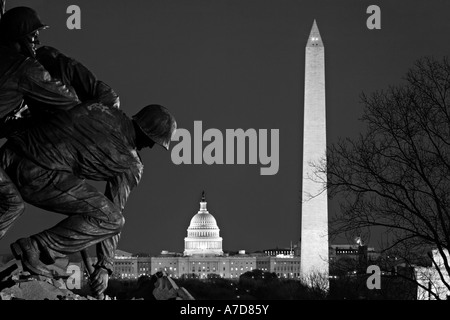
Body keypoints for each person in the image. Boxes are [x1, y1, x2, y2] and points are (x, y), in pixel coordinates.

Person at [0, 102, 177, 298]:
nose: (151, 146)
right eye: (153, 140)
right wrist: (104, 266)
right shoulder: (130, 163)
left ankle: (36, 250)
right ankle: (35, 247)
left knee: (93, 210)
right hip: (36, 174)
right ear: (146, 132)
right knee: (112, 219)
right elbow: (114, 211)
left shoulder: (101, 107)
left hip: (10, 155)